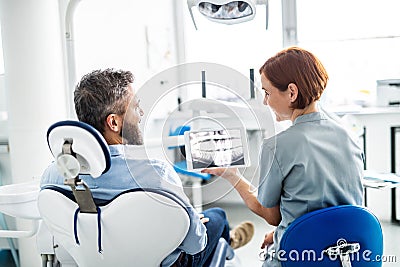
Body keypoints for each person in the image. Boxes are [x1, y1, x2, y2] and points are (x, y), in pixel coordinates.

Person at [40, 69, 254, 267]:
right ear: (114, 123)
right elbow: (195, 244)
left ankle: (230, 238)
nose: (141, 112)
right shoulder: (156, 174)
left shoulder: (53, 176)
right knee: (217, 218)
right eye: (135, 106)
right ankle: (229, 239)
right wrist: (191, 221)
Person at [202, 47, 364, 266]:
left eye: (267, 93)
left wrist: (233, 176)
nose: (264, 102)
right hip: (345, 256)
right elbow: (332, 209)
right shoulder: (349, 135)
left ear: (291, 92)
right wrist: (285, 233)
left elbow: (271, 216)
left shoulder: (276, 146)